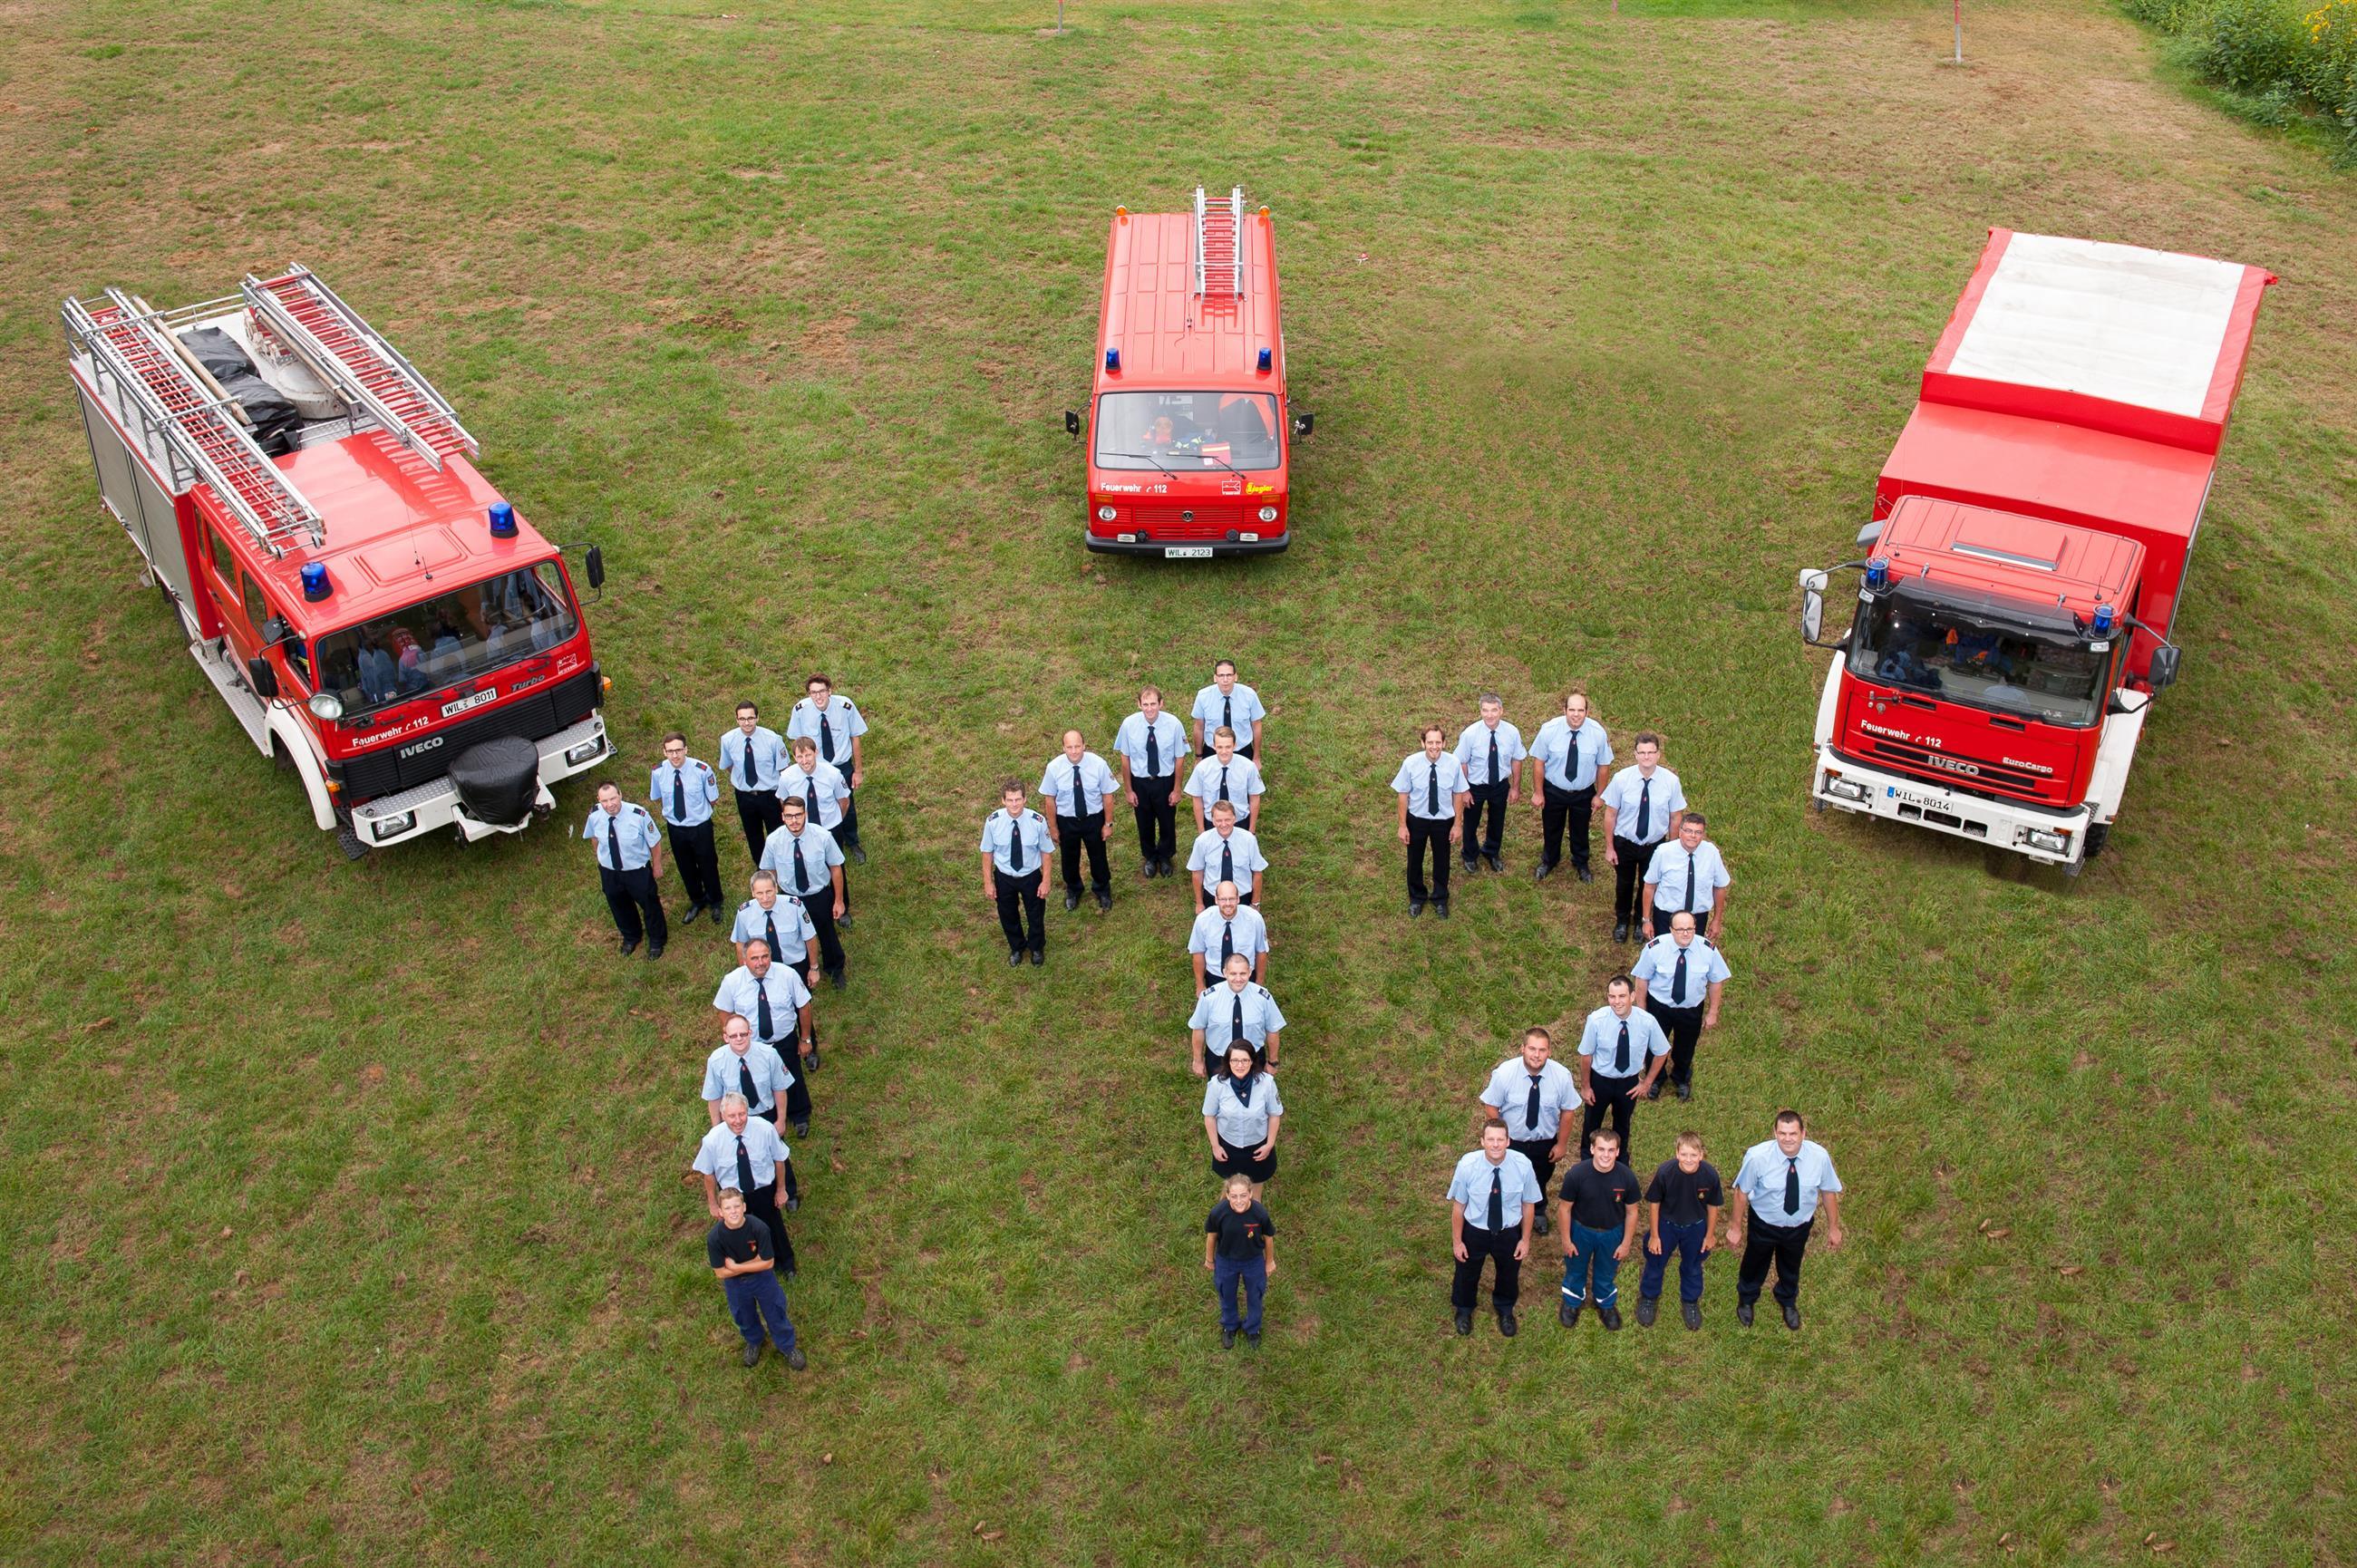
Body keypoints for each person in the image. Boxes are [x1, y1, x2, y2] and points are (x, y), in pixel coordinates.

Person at [1727, 1109, 1845, 1331]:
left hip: (1799, 1226)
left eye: (1793, 1133)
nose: (1787, 1139)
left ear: (1803, 1133)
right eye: (1782, 1133)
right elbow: (1741, 1193)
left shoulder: (1819, 1157)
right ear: (1774, 1132)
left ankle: (1787, 1300)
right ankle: (1747, 1298)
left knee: (1791, 1265)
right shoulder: (1757, 1157)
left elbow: (1828, 1192)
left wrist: (1834, 1228)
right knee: (1754, 1262)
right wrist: (1735, 1227)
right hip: (1764, 1224)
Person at [1447, 1119, 1541, 1337]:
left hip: (1508, 1231)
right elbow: (1459, 1207)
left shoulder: (1523, 1165)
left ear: (1508, 1141)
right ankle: (1464, 1309)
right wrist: (1458, 1242)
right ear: (1482, 1141)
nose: (1496, 1144)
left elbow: (1528, 1205)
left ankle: (1505, 1309)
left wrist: (1525, 1240)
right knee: (1466, 1272)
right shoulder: (1467, 1166)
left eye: (1500, 1139)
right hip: (1475, 1231)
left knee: (1509, 1273)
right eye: (1491, 1139)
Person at [712, 941, 817, 1134]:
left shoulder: (787, 975)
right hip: (753, 1046)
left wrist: (805, 1039)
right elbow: (724, 1011)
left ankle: (800, 1115)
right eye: (754, 958)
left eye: (764, 956)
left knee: (792, 1078)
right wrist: (734, 1037)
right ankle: (768, 1119)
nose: (760, 963)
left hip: (784, 1041)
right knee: (760, 1082)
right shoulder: (732, 981)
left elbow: (804, 1006)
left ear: (770, 956)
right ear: (744, 960)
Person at [1477, 1028, 1576, 1230]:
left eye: (1542, 1050)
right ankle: (1510, 1214)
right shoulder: (1504, 1073)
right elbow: (1491, 1105)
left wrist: (1562, 1144)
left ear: (1549, 1052)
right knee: (1508, 1179)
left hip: (1544, 1143)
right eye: (1532, 1049)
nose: (1536, 1055)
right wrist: (1502, 1138)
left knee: (1539, 1178)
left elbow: (1568, 1111)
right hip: (1514, 1141)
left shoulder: (1561, 1076)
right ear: (1522, 1048)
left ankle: (1538, 1211)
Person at [694, 1093, 797, 1279]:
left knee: (773, 1226)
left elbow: (779, 1160)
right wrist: (713, 1204)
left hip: (763, 1190)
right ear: (723, 1115)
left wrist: (781, 1190)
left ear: (747, 1111)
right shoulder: (712, 1140)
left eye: (742, 1114)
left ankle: (786, 1264)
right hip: (733, 1195)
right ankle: (751, 1269)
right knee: (740, 1232)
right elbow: (708, 1174)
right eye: (732, 1116)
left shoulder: (765, 1129)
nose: (738, 1120)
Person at [1631, 912, 1730, 1101]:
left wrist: (1713, 1012)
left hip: (1691, 1009)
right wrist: (1642, 1010)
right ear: (1671, 930)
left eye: (1690, 929)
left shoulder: (1707, 950)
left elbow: (1716, 981)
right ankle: (1656, 1079)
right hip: (1659, 1007)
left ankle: (1681, 1078)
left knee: (1686, 1047)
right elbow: (1642, 979)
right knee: (1654, 1046)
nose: (1686, 934)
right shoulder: (1655, 948)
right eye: (1680, 929)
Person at [1599, 731, 1685, 943]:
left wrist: (1671, 849)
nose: (1646, 757)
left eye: (1651, 753)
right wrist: (1609, 847)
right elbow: (1610, 814)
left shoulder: (1670, 782)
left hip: (1654, 845)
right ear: (1635, 754)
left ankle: (1640, 921)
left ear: (1658, 755)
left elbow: (1676, 817)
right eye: (1642, 753)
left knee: (1649, 883)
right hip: (1625, 842)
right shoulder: (1621, 779)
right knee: (1624, 883)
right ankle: (1621, 920)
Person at [1555, 1128, 1643, 1331]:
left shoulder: (1627, 1177)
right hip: (1581, 1231)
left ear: (1618, 1152)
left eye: (1611, 1150)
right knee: (1575, 1269)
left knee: (1606, 1271)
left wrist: (1626, 1243)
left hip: (1612, 1234)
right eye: (1601, 1149)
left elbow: (1632, 1212)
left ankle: (1605, 1303)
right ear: (1592, 1149)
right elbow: (1564, 1209)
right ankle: (1572, 1301)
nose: (1606, 1155)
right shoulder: (1576, 1174)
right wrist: (1567, 1240)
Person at [706, 1187, 804, 1370]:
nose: (733, 1211)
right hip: (736, 1286)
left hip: (763, 1280)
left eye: (737, 1206)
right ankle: (754, 1341)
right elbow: (720, 1273)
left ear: (744, 1207)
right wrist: (754, 1262)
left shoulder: (758, 1228)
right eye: (727, 1208)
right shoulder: (715, 1238)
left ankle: (788, 1346)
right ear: (720, 1212)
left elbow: (767, 1263)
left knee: (775, 1312)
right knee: (743, 1315)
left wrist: (736, 1267)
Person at [1637, 1130, 1724, 1331]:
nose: (1689, 1159)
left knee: (1693, 1266)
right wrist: (1655, 1235)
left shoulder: (1710, 1175)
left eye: (1694, 1155)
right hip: (1666, 1226)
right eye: (1684, 1154)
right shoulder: (1665, 1172)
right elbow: (1654, 1203)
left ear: (1701, 1155)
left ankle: (1690, 1301)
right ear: (1677, 1153)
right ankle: (1649, 1297)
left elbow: (1713, 1206)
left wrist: (1710, 1235)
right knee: (1655, 1262)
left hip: (1696, 1228)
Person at [1576, 975, 1669, 1159]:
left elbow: (1662, 1051)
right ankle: (1587, 1159)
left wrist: (1648, 1082)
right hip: (1600, 1081)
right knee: (1591, 1123)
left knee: (1623, 1125)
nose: (1616, 1002)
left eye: (1622, 996)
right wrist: (1586, 1086)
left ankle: (1620, 1161)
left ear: (1632, 996)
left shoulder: (1647, 1022)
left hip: (1629, 1083)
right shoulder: (1596, 1020)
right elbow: (1586, 1055)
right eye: (1612, 996)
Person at [759, 798, 848, 987]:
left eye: (798, 815)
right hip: (789, 897)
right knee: (794, 936)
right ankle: (802, 970)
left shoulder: (822, 836)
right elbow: (769, 871)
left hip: (818, 896)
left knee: (826, 933)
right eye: (789, 816)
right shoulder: (774, 841)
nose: (794, 821)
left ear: (805, 814)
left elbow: (836, 868)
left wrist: (838, 900)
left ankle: (835, 969)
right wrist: (772, 896)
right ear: (783, 817)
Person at [1528, 690, 1614, 883]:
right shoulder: (1549, 730)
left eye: (1580, 710)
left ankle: (1581, 862)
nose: (1576, 714)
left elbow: (1603, 766)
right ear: (1564, 710)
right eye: (1572, 709)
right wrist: (1538, 792)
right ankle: (1549, 860)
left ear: (1587, 712)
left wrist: (1599, 795)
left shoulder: (1598, 733)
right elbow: (1539, 762)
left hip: (1583, 793)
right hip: (1554, 791)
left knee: (1581, 830)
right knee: (1551, 828)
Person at [787, 673, 868, 863]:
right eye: (813, 692)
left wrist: (857, 770)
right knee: (818, 804)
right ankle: (816, 842)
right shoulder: (800, 710)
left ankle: (852, 841)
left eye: (822, 691)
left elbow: (855, 737)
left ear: (830, 691)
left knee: (847, 804)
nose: (818, 697)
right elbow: (797, 742)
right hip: (815, 768)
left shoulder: (845, 707)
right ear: (808, 694)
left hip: (841, 767)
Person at [1392, 724, 1469, 919]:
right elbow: (1403, 795)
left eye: (1438, 742)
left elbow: (1458, 794)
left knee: (1442, 860)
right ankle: (1417, 898)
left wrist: (1457, 825)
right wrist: (1402, 826)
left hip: (1443, 821)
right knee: (1414, 860)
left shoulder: (1453, 763)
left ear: (1444, 743)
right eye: (1430, 742)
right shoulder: (1410, 763)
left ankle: (1440, 899)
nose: (1434, 746)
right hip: (1417, 820)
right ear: (1422, 743)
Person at [581, 781, 666, 959]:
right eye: (604, 800)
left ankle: (657, 941)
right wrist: (601, 858)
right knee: (618, 905)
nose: (610, 804)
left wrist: (657, 865)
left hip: (636, 871)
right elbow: (594, 837)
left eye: (613, 798)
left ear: (620, 794)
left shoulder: (639, 815)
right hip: (610, 872)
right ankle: (631, 936)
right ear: (599, 800)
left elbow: (654, 842)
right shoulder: (595, 815)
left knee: (650, 905)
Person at [1112, 684, 1189, 878]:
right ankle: (1149, 856)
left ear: (1161, 703)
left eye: (1153, 704)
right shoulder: (1129, 724)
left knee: (1167, 821)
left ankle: (1165, 857)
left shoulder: (1174, 724)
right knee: (1144, 822)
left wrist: (1177, 788)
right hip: (1141, 782)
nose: (1149, 709)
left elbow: (1179, 758)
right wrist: (1129, 790)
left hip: (1164, 781)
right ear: (1138, 704)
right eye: (1145, 704)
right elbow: (1125, 758)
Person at [1039, 730, 1119, 913]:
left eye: (1077, 746)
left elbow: (1108, 795)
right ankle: (1073, 889)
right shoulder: (1054, 768)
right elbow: (1049, 800)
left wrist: (1108, 824)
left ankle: (1102, 889)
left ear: (1084, 745)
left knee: (1098, 856)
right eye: (1069, 747)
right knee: (1069, 858)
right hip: (1067, 821)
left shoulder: (1098, 764)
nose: (1074, 751)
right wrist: (1053, 828)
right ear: (1063, 747)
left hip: (1093, 819)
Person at [649, 733, 725, 924]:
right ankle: (697, 900)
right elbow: (658, 797)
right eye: (670, 751)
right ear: (664, 752)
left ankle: (715, 901)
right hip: (676, 828)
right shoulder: (658, 772)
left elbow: (713, 798)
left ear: (686, 749)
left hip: (700, 827)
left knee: (708, 864)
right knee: (685, 866)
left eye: (678, 750)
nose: (675, 755)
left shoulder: (702, 770)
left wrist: (698, 815)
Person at [779, 738, 855, 925]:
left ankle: (842, 905)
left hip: (830, 827)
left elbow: (844, 802)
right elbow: (784, 802)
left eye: (808, 755)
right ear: (794, 757)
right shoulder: (787, 777)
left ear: (816, 753)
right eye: (799, 757)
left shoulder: (833, 774)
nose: (805, 761)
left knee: (836, 865)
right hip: (803, 830)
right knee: (809, 864)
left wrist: (836, 820)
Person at [979, 778, 1053, 966]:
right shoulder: (993, 822)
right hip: (1005, 877)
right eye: (1010, 800)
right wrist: (988, 882)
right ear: (1003, 800)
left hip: (1031, 876)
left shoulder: (1037, 822)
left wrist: (1046, 881)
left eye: (1018, 799)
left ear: (1025, 799)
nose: (1014, 804)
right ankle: (1017, 947)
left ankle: (1036, 947)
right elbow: (987, 853)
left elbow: (1046, 853)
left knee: (1035, 913)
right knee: (1008, 914)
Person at [1204, 1172, 1278, 1349]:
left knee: (1255, 1294)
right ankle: (1229, 1326)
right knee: (1226, 1293)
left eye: (1243, 1195)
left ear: (1251, 1194)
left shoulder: (1259, 1213)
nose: (1239, 1200)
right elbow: (1211, 1236)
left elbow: (1268, 1238)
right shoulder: (1218, 1212)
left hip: (1253, 1261)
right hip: (1226, 1261)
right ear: (1228, 1195)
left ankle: (1253, 1329)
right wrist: (1209, 1259)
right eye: (1234, 1196)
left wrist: (1269, 1261)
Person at [1455, 693, 1526, 875]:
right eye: (1485, 710)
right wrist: (1464, 790)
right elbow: (1461, 762)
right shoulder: (1470, 734)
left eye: (1494, 710)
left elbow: (1517, 759)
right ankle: (1469, 855)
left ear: (1501, 711)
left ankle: (1491, 851)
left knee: (1497, 820)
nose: (1490, 715)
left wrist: (1515, 787)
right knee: (1471, 821)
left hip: (1499, 785)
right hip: (1475, 787)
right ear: (1480, 711)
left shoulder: (1512, 733)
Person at [1202, 1042, 1283, 1200]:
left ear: (1252, 1061)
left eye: (1245, 1060)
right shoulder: (1217, 1085)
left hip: (1258, 1148)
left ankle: (1253, 1224)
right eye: (1235, 1061)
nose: (1240, 1065)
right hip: (1229, 1147)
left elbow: (1275, 1115)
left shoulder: (1266, 1083)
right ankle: (1225, 1222)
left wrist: (1269, 1145)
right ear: (1228, 1062)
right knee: (1230, 1194)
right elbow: (1209, 1116)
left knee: (1254, 1197)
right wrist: (1216, 1146)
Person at [1188, 953, 1285, 1076]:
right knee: (1220, 1094)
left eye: (1243, 973)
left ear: (1249, 972)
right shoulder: (1209, 998)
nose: (1238, 979)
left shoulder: (1263, 998)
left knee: (1254, 1094)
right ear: (1225, 973)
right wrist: (1198, 1060)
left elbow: (1272, 1030)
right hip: (1218, 1060)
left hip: (1253, 1060)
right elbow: (1198, 1029)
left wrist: (1273, 1062)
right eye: (1233, 973)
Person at [703, 1014, 796, 1141]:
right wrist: (717, 1129)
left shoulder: (769, 1055)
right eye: (733, 1036)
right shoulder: (716, 1061)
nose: (739, 1039)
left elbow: (779, 1089)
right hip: (735, 1120)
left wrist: (780, 1120)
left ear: (750, 1033)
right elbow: (714, 1097)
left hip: (767, 1115)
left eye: (743, 1034)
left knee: (777, 1158)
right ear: (726, 1038)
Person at [1642, 812, 1732, 942]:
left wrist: (1717, 920)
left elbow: (1720, 887)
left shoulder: (1711, 853)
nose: (1693, 836)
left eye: (1698, 832)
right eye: (1688, 831)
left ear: (1703, 834)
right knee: (1665, 957)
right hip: (1666, 918)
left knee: (1693, 958)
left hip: (1697, 919)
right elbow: (1649, 887)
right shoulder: (1663, 852)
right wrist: (1646, 920)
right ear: (1680, 832)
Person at [717, 702, 789, 862]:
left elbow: (783, 769)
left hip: (770, 794)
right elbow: (729, 765)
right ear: (736, 719)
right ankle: (762, 866)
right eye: (742, 719)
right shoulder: (728, 740)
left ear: (757, 718)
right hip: (744, 796)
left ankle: (781, 863)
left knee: (776, 832)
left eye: (750, 718)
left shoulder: (773, 739)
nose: (747, 722)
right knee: (753, 833)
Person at [732, 869, 820, 982]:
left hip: (795, 966)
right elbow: (741, 944)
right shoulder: (744, 913)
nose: (765, 898)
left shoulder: (794, 907)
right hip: (762, 967)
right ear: (753, 893)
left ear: (776, 889)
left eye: (769, 891)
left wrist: (814, 968)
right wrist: (745, 972)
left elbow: (810, 936)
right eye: (759, 893)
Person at [1186, 799, 1268, 912]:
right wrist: (1200, 903)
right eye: (1219, 820)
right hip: (1213, 898)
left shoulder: (1249, 840)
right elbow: (1197, 873)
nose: (1223, 824)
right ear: (1213, 821)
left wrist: (1255, 903)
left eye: (1227, 820)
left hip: (1243, 898)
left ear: (1234, 819)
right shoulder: (1202, 841)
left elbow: (1257, 872)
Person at [1188, 880, 1269, 989]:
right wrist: (1200, 984)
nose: (1227, 904)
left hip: (1245, 977)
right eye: (1223, 899)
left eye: (1231, 899)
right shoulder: (1203, 920)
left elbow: (1261, 952)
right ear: (1216, 900)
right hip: (1215, 976)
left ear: (1238, 899)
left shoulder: (1254, 919)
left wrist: (1259, 983)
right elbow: (1198, 953)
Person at [1185, 726, 1265, 835]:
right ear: (1213, 746)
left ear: (1235, 746)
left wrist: (1251, 830)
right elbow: (1197, 800)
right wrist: (1201, 831)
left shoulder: (1248, 767)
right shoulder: (1202, 768)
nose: (1224, 751)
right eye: (1220, 747)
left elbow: (1254, 798)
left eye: (1228, 747)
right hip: (1211, 824)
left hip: (1240, 823)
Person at [1192, 660, 1266, 760]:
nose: (1225, 679)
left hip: (1242, 751)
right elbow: (1199, 727)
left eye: (1229, 675)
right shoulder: (1203, 697)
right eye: (1221, 675)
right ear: (1215, 678)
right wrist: (1198, 757)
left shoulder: (1249, 695)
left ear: (1235, 677)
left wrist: (1256, 757)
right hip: (1213, 751)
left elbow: (1256, 726)